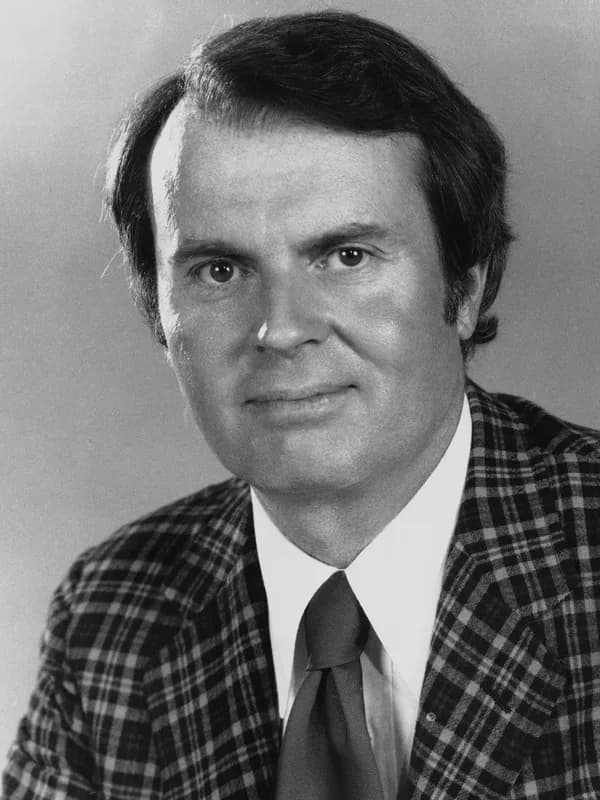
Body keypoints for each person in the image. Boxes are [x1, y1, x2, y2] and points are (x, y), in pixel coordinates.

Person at [4, 10, 600, 800]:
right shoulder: (109, 618)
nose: (280, 329)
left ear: (465, 287)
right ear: (160, 318)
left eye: (346, 256)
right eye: (220, 271)